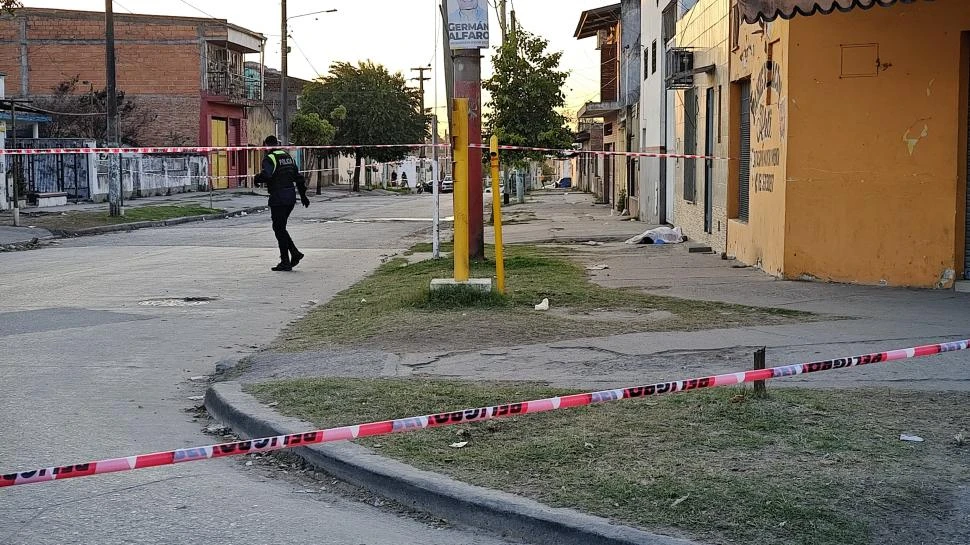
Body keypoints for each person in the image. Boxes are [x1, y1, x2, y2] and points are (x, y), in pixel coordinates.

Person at [255, 135, 310, 272]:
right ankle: (292, 255)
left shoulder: (270, 158)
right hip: (290, 197)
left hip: (279, 197)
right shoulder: (287, 156)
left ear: (266, 145)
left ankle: (288, 259)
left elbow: (267, 175)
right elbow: (298, 178)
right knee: (281, 228)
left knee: (279, 229)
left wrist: (257, 178)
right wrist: (303, 196)